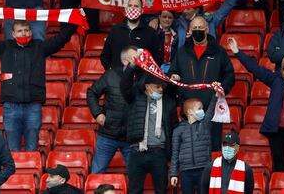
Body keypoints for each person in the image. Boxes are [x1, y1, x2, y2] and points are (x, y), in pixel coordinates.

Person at [0, 18, 77, 150]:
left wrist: (75, 21)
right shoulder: (4, 47)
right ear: (13, 34)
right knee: (13, 150)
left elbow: (61, 38)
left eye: (26, 30)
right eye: (20, 31)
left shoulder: (40, 47)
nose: (24, 33)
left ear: (31, 32)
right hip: (11, 106)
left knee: (32, 149)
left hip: (33, 105)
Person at [228, 35, 284, 171]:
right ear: (282, 67)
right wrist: (237, 52)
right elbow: (255, 68)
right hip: (277, 131)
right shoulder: (275, 78)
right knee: (279, 165)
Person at [169, 16, 235, 150]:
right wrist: (173, 77)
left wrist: (221, 89)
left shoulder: (219, 51)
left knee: (213, 148)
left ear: (207, 29)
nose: (197, 31)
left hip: (212, 109)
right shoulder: (182, 52)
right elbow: (172, 72)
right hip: (189, 111)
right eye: (194, 28)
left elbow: (229, 75)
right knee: (190, 149)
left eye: (200, 28)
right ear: (190, 30)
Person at [120, 65, 178, 194]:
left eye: (162, 86)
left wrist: (174, 81)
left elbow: (173, 127)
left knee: (161, 190)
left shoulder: (169, 102)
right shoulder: (135, 98)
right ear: (147, 85)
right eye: (157, 86)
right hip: (137, 150)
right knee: (134, 190)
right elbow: (124, 85)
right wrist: (131, 68)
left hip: (159, 152)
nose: (161, 89)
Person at [88, 47, 137, 173]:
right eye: (135, 58)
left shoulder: (142, 78)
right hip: (108, 134)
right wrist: (97, 114)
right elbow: (92, 92)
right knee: (97, 172)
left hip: (131, 137)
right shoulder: (110, 75)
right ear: (125, 61)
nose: (139, 61)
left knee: (135, 176)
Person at [170, 97, 218, 194]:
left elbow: (211, 109)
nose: (202, 111)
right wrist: (174, 174)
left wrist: (215, 96)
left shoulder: (205, 125)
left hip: (203, 169)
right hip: (186, 171)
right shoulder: (178, 130)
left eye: (202, 109)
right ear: (190, 112)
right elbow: (175, 154)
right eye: (199, 109)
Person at [101, 0, 162, 70]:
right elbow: (105, 55)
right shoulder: (115, 30)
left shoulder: (150, 33)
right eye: (130, 5)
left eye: (136, 6)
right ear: (126, 9)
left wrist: (146, 76)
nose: (132, 8)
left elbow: (157, 58)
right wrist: (111, 71)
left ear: (142, 10)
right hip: (117, 78)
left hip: (140, 79)